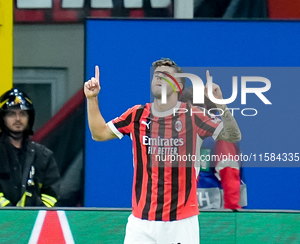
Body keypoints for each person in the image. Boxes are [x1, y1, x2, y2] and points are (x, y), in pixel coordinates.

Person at [84, 58, 242, 243]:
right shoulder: (137, 114)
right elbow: (98, 133)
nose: (158, 78)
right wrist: (92, 98)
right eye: (156, 75)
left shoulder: (195, 116)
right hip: (140, 222)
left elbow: (232, 135)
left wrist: (221, 104)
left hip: (181, 223)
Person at [0, 88, 60, 207]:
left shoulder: (44, 156)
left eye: (22, 114)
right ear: (2, 118)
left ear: (29, 118)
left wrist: (36, 210)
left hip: (36, 223)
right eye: (11, 114)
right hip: (0, 223)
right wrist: (14, 215)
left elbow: (52, 194)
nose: (17, 119)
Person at [181, 86, 247, 210]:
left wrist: (231, 217)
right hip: (187, 216)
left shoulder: (221, 137)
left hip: (217, 218)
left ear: (204, 108)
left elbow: (229, 174)